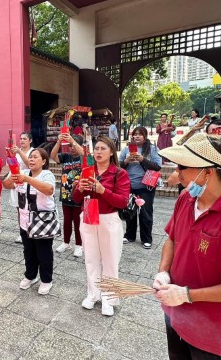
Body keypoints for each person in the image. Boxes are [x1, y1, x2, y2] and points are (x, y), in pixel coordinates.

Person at [153, 132, 221, 359]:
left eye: (183, 167)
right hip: (176, 318)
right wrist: (164, 272)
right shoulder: (186, 199)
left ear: (208, 172)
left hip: (213, 334)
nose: (177, 173)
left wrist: (188, 294)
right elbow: (172, 239)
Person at [72, 136, 131, 316]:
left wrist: (103, 190)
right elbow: (75, 199)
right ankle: (93, 294)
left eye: (103, 149)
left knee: (110, 260)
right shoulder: (87, 171)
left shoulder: (119, 173)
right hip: (89, 217)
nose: (98, 152)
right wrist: (80, 189)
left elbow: (122, 201)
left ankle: (109, 299)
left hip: (108, 219)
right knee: (91, 258)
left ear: (111, 152)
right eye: (96, 149)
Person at [3, 148, 57, 295]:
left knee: (44, 252)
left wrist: (26, 179)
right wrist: (12, 176)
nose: (31, 159)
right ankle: (30, 275)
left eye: (35, 157)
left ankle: (46, 280)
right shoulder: (23, 172)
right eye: (30, 157)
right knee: (28, 251)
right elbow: (6, 186)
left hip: (42, 222)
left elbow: (49, 190)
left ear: (44, 161)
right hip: (25, 220)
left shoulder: (47, 175)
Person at [167, 118, 221, 201]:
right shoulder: (199, 159)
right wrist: (195, 166)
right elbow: (172, 180)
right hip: (201, 210)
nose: (219, 139)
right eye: (213, 135)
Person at [119, 126, 162, 249]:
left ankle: (146, 238)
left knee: (145, 213)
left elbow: (157, 166)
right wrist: (126, 161)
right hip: (129, 186)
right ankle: (129, 235)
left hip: (146, 187)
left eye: (140, 134)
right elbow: (118, 166)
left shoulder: (152, 149)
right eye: (135, 134)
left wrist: (142, 159)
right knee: (129, 211)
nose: (137, 136)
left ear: (145, 136)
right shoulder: (127, 148)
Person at [50, 134, 84, 257]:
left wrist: (73, 141)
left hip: (79, 194)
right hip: (66, 193)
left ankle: (79, 245)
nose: (72, 148)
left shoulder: (83, 158)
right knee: (67, 220)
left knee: (78, 221)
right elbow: (53, 156)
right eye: (69, 145)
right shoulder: (66, 157)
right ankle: (66, 242)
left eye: (73, 145)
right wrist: (59, 142)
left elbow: (86, 155)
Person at [9, 132, 34, 243]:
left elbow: (29, 164)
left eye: (24, 139)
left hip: (28, 180)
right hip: (16, 180)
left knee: (28, 209)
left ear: (30, 140)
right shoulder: (16, 152)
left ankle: (30, 229)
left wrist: (18, 151)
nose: (22, 141)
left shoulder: (33, 152)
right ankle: (22, 231)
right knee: (19, 209)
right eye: (21, 138)